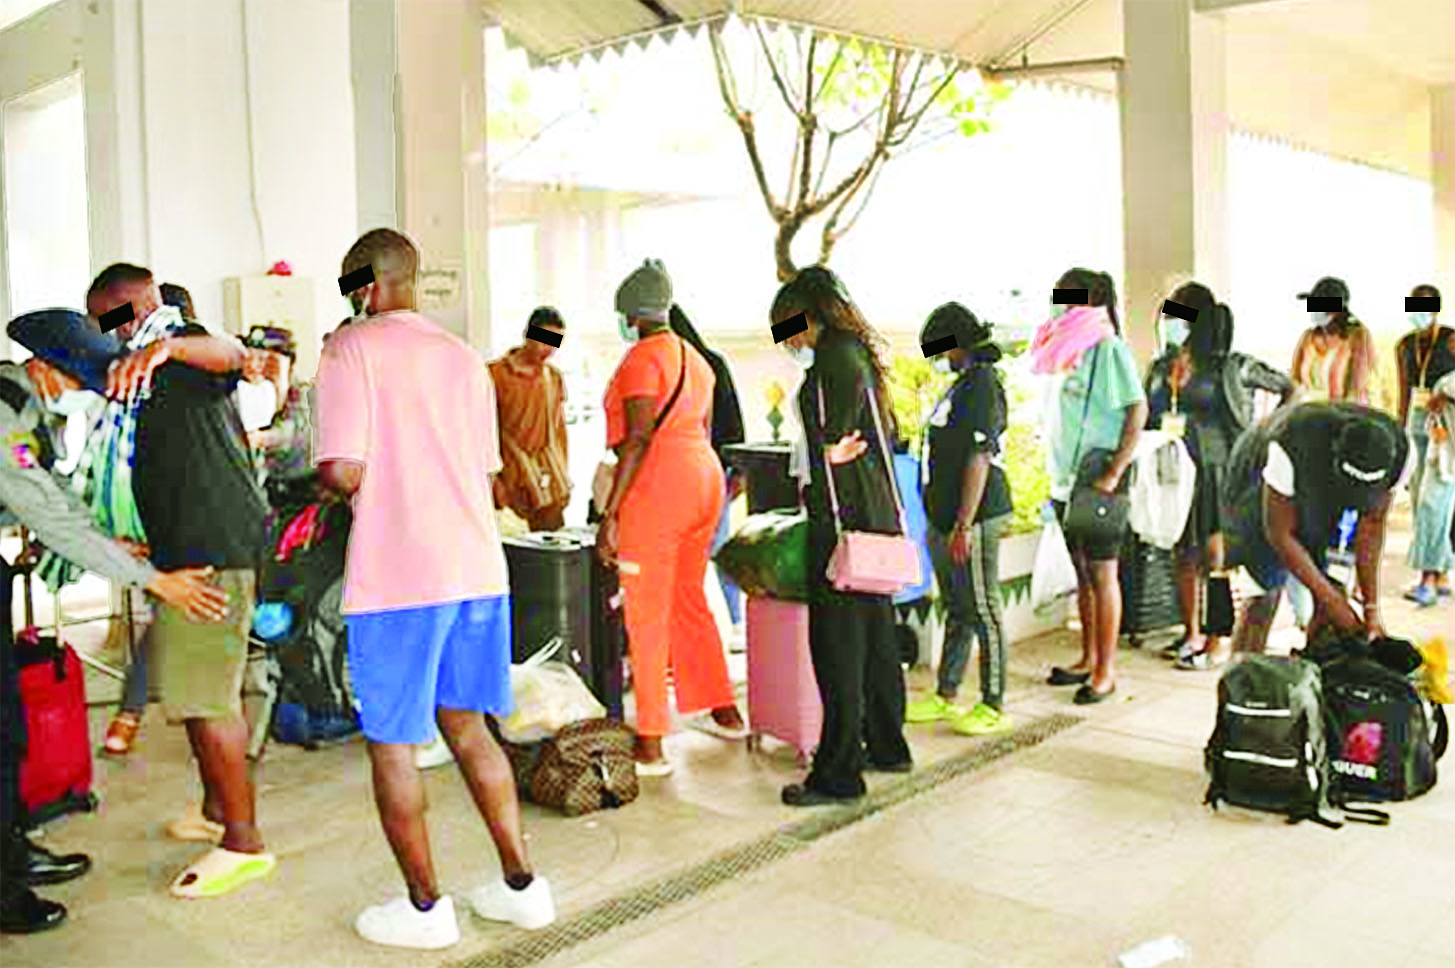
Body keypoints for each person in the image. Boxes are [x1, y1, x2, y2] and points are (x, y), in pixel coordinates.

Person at [318, 228, 554, 949]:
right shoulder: (463, 358)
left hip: (399, 577)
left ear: (364, 285)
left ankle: (425, 909)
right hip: (477, 570)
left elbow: (342, 470)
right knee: (469, 727)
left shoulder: (348, 348)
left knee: (393, 744)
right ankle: (522, 887)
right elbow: (484, 472)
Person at [0, 308, 228, 932]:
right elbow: (48, 515)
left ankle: (12, 852)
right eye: (80, 382)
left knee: (8, 729)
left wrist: (110, 544)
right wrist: (153, 581)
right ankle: (4, 890)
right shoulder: (4, 413)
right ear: (42, 367)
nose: (87, 394)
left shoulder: (30, 409)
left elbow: (58, 495)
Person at [87, 262, 275, 898]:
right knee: (194, 692)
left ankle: (244, 844)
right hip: (186, 550)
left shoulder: (179, 345)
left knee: (206, 699)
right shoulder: (145, 369)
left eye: (113, 318)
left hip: (212, 552)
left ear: (141, 305)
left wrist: (166, 346)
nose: (110, 332)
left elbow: (234, 355)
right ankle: (217, 810)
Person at [595, 260, 745, 775]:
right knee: (688, 598)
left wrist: (611, 512)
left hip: (660, 487)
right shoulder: (697, 359)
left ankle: (651, 742)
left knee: (645, 611)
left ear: (632, 315)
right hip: (705, 481)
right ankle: (724, 710)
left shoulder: (641, 359)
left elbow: (638, 438)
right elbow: (702, 427)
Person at [771, 265, 913, 806]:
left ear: (807, 316)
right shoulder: (858, 356)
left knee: (837, 648)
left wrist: (827, 458)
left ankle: (838, 774)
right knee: (875, 639)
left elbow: (832, 444)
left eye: (786, 327)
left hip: (842, 523)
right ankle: (888, 745)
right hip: (875, 517)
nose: (786, 340)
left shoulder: (831, 361)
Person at [1144, 284, 1293, 670]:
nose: (1169, 323)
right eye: (1167, 315)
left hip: (1217, 471)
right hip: (1173, 472)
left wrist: (1267, 430)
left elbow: (1288, 387)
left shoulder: (1231, 365)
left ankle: (1217, 640)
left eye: (1176, 315)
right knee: (1182, 552)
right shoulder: (1160, 366)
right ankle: (1191, 633)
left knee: (1217, 558)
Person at [1033, 268, 1147, 704]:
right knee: (1082, 574)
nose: (1058, 303)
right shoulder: (1064, 348)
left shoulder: (1108, 348)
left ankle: (1105, 672)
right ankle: (1087, 657)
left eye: (1066, 296)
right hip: (1066, 481)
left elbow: (1137, 410)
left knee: (1102, 574)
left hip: (1098, 480)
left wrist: (1114, 472)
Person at [1223, 402, 1407, 654]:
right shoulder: (1293, 442)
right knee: (1263, 595)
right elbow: (1279, 534)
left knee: (1333, 594)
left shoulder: (1401, 455)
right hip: (1260, 485)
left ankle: (1317, 667)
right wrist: (1332, 601)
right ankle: (1243, 671)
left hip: (1321, 488)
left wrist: (1370, 608)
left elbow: (1372, 526)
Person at [908, 303, 1014, 735]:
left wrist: (964, 525)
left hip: (976, 515)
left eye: (939, 350)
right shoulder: (961, 384)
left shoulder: (983, 385)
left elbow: (979, 456)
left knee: (983, 608)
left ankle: (993, 702)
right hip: (946, 515)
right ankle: (946, 692)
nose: (937, 359)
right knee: (956, 606)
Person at [668, 303, 747, 637]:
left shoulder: (702, 366)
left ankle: (733, 621)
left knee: (712, 549)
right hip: (702, 474)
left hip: (708, 474)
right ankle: (723, 622)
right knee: (702, 551)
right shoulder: (692, 365)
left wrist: (738, 471)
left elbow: (731, 419)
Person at [1395, 284, 1454, 606]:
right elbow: (1404, 391)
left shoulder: (1451, 339)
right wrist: (1398, 432)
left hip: (1445, 427)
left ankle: (1427, 578)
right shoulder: (1404, 345)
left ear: (1435, 310)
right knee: (1421, 501)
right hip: (1415, 425)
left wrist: (1444, 393)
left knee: (1434, 500)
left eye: (1423, 307)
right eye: (1412, 306)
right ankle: (1441, 572)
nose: (1417, 313)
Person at [488, 307, 571, 532]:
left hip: (549, 485)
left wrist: (564, 475)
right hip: (510, 484)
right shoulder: (494, 375)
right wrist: (494, 481)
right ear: (527, 334)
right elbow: (481, 433)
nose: (549, 348)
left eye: (555, 342)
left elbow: (559, 431)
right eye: (544, 339)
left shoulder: (553, 377)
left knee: (551, 547)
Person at [242, 326, 312, 486]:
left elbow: (294, 433)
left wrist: (260, 439)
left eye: (271, 365)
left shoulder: (306, 398)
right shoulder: (243, 396)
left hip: (303, 489)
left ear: (289, 367)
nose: (260, 371)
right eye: (254, 361)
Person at [1291, 276, 1374, 405]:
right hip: (1308, 412)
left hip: (1343, 413)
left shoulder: (1358, 337)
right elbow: (1295, 380)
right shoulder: (1307, 338)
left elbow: (1356, 388)